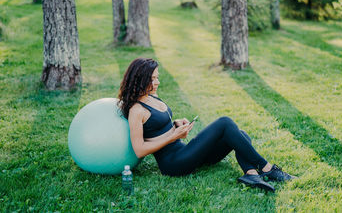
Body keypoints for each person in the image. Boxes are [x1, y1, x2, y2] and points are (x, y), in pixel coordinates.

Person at [118, 58, 296, 192]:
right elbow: (139, 149)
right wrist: (173, 135)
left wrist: (176, 124)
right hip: (174, 164)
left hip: (186, 152)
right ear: (140, 79)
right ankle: (267, 168)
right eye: (152, 79)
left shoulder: (151, 96)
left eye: (157, 77)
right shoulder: (136, 110)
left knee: (241, 135)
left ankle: (251, 175)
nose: (157, 82)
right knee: (225, 123)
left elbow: (157, 126)